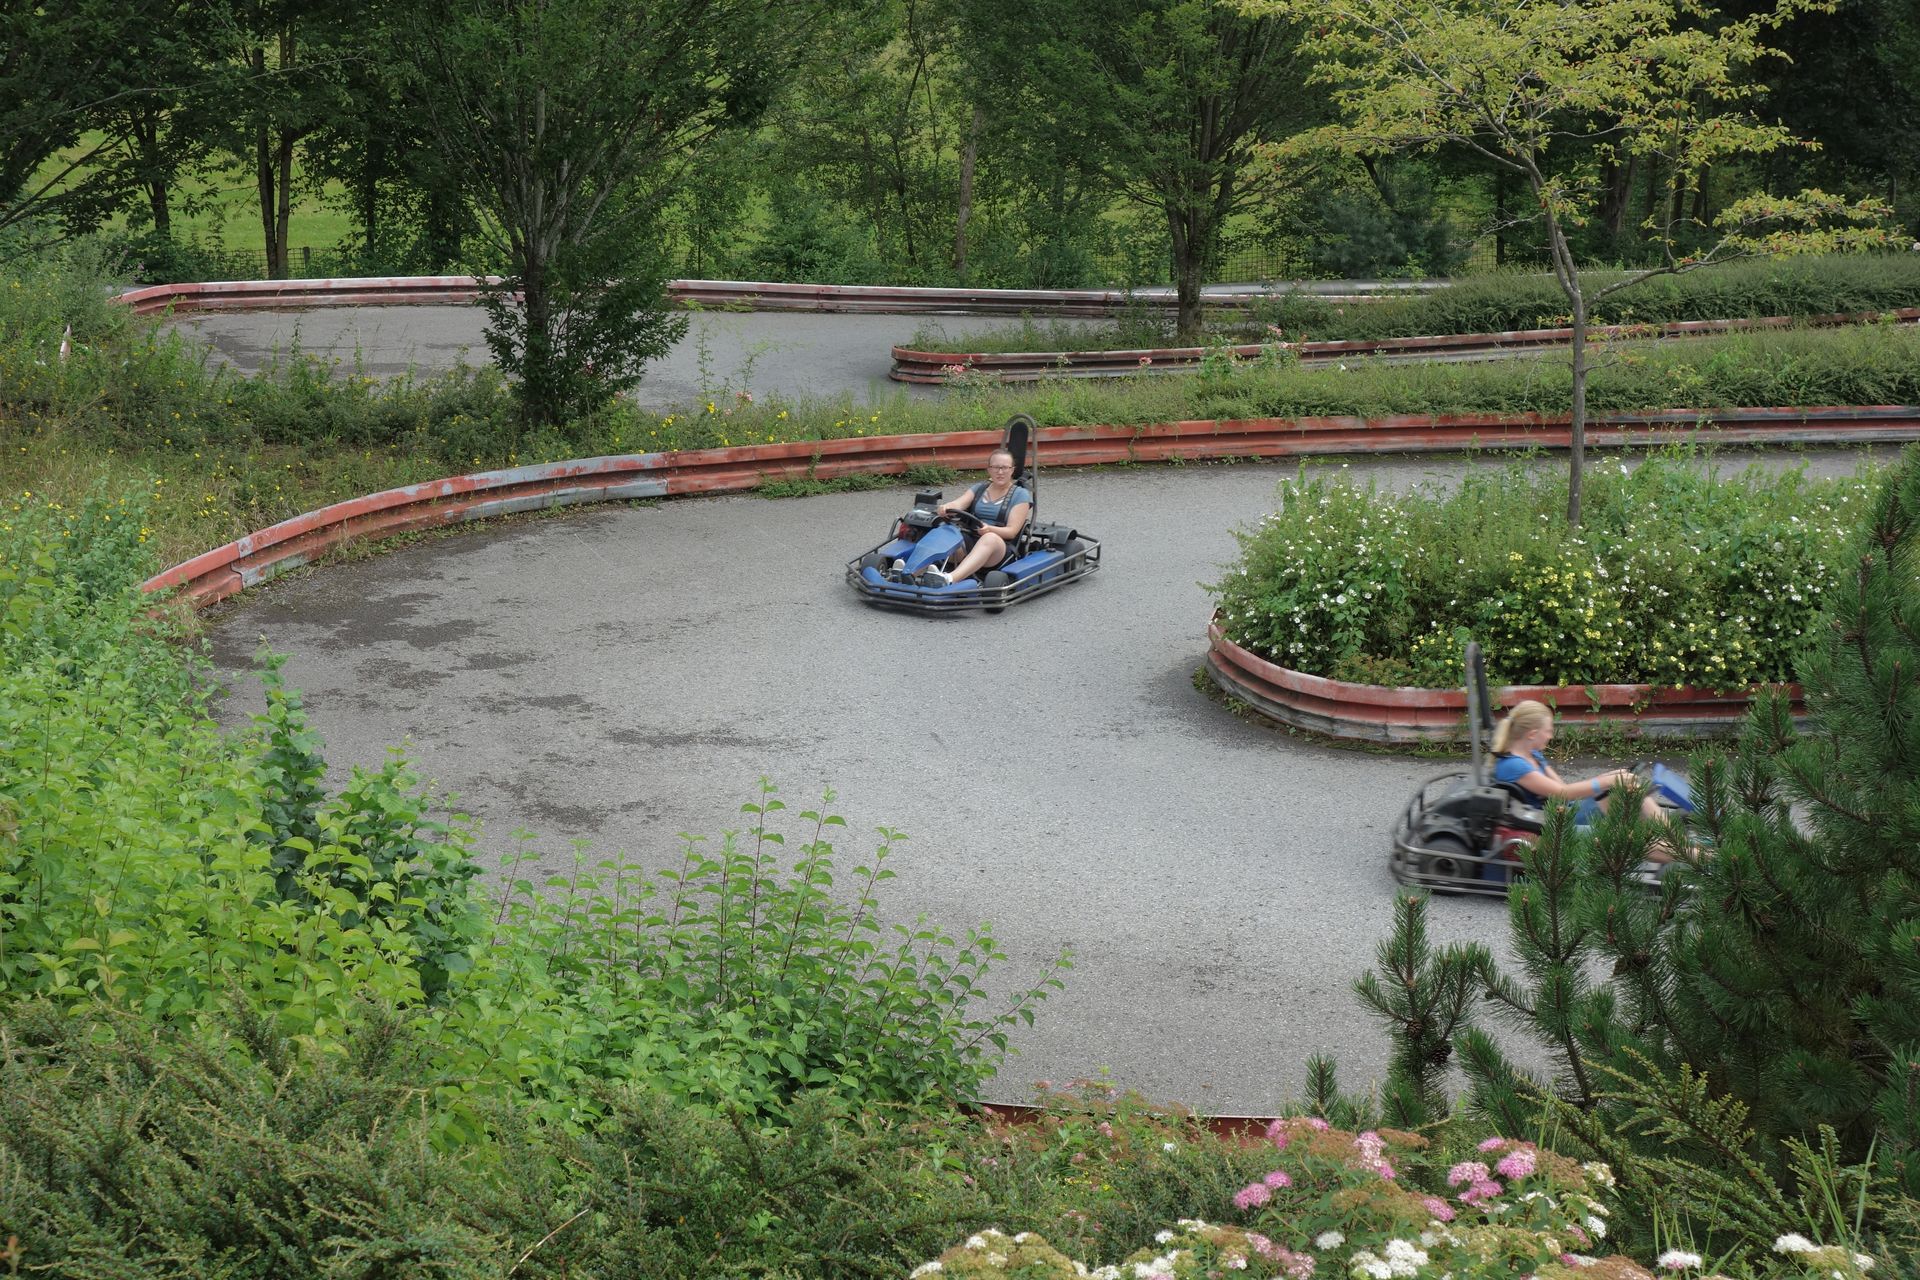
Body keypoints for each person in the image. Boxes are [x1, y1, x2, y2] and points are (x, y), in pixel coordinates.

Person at [1490, 699, 1689, 862]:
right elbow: (1563, 794)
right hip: (1553, 826)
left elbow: (1563, 788)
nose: (1551, 736)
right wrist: (1608, 782)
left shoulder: (1533, 754)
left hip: (1565, 811)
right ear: (1532, 734)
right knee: (1627, 838)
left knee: (1632, 788)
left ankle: (1676, 841)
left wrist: (1609, 777)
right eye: (1548, 731)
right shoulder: (1514, 766)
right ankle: (1691, 855)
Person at [919, 448, 1031, 585]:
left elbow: (1012, 531)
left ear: (1012, 470)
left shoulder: (1021, 495)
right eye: (996, 467)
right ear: (989, 469)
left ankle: (949, 579)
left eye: (1004, 468)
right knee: (944, 530)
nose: (1000, 472)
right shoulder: (980, 488)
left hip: (999, 548)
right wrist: (946, 507)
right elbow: (958, 503)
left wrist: (989, 529)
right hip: (971, 538)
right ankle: (911, 573)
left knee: (989, 538)